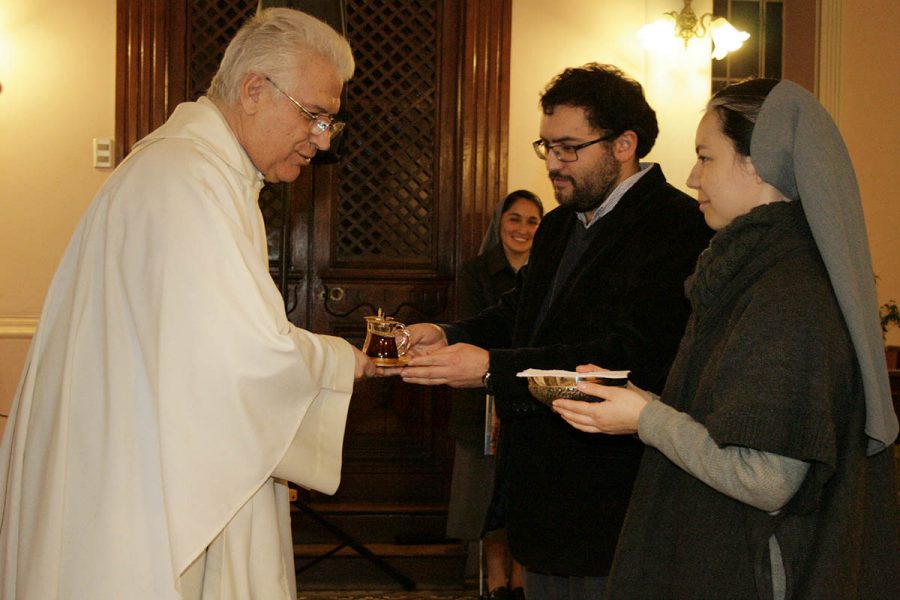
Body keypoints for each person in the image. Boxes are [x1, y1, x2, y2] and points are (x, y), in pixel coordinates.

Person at [0, 8, 377, 599]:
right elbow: (238, 360)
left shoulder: (196, 170)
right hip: (138, 483)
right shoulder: (187, 180)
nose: (323, 139)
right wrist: (342, 361)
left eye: (331, 121)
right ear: (255, 89)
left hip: (139, 458)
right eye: (315, 116)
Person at [553, 78, 900, 599]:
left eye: (706, 157)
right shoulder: (752, 270)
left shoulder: (788, 292)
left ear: (758, 162)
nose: (693, 176)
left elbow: (766, 477)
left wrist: (645, 418)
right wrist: (640, 402)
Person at [387, 64, 713, 598]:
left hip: (612, 500)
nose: (554, 166)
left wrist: (494, 370)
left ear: (623, 144)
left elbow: (627, 359)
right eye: (547, 147)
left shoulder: (677, 226)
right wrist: (449, 333)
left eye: (568, 148)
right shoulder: (561, 223)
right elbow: (523, 316)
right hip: (542, 498)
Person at [447, 190, 543, 600]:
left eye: (532, 221)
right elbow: (471, 326)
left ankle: (522, 582)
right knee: (484, 498)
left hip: (529, 402)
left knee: (524, 499)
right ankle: (494, 581)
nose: (522, 229)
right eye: (514, 219)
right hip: (481, 402)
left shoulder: (547, 273)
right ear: (499, 224)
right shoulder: (475, 273)